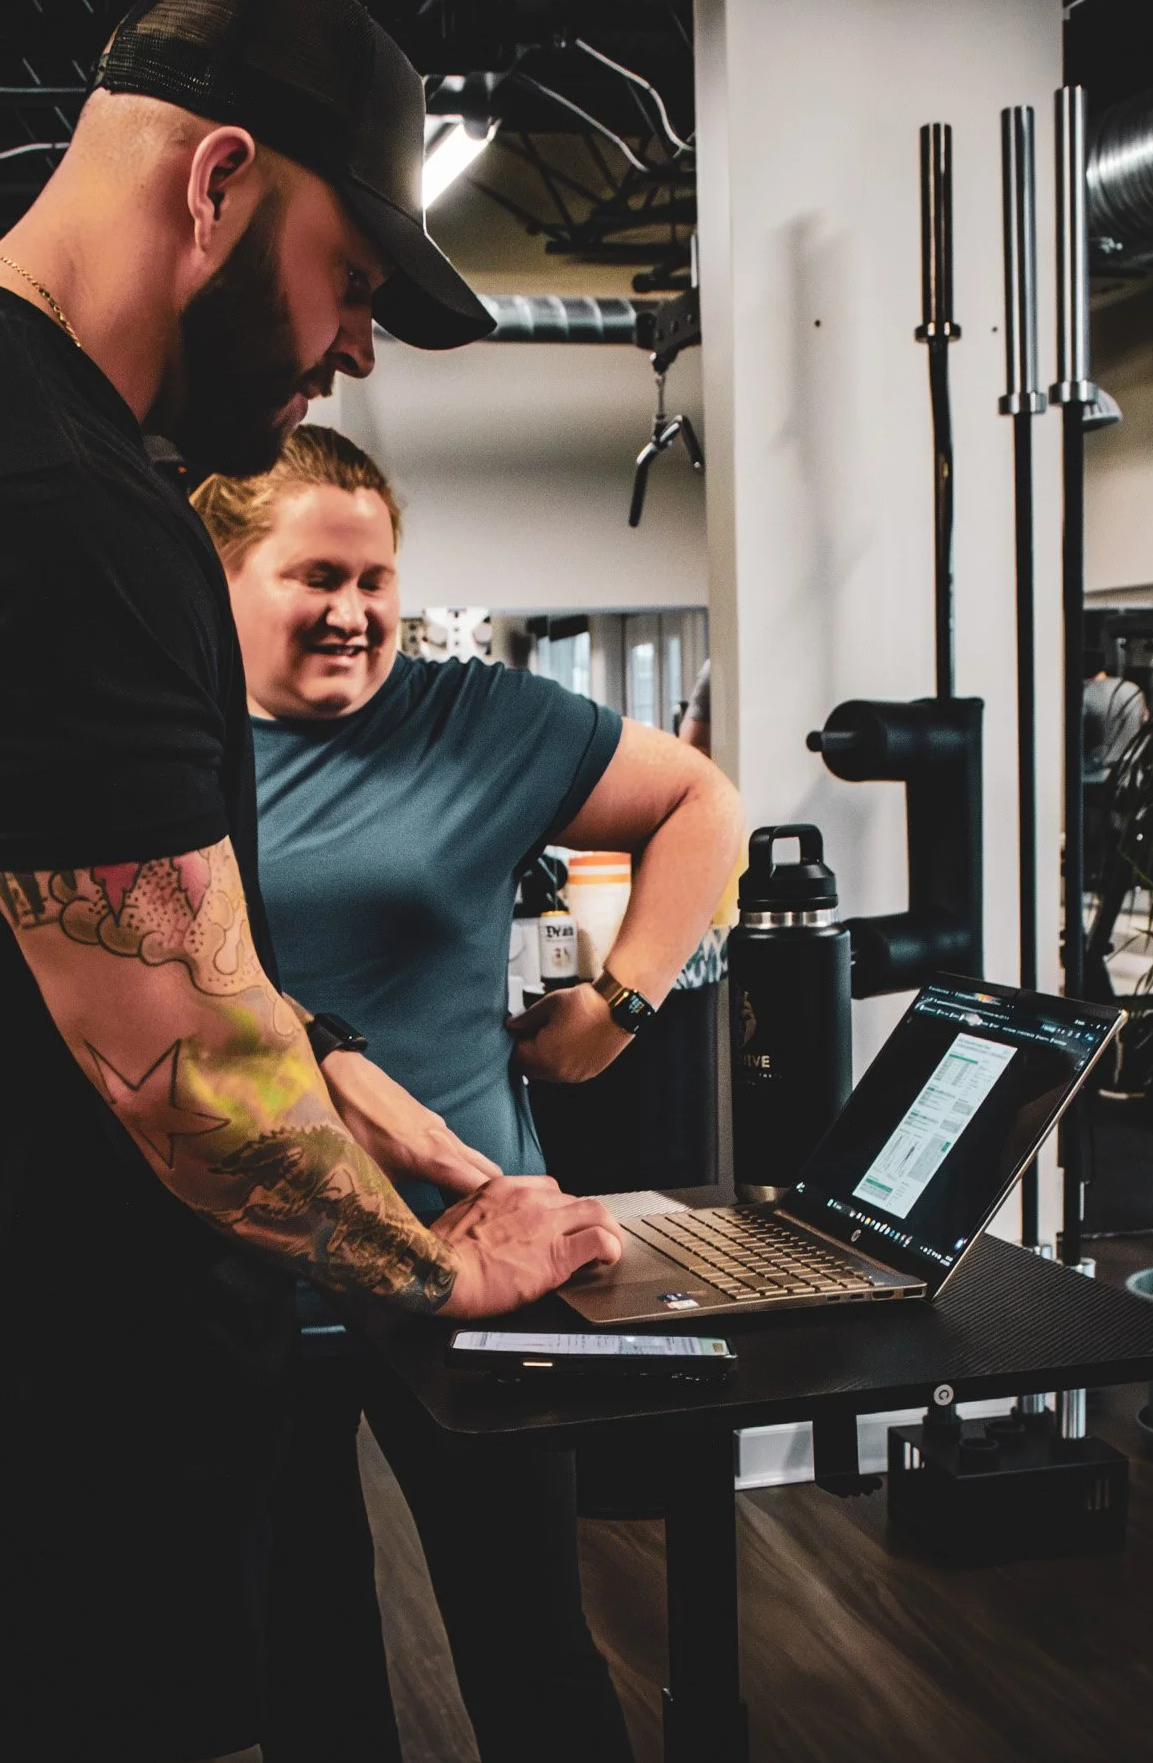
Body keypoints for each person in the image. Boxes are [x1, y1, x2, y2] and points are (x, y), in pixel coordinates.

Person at [0, 0, 622, 1763]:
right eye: (351, 281)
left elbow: (65, 943)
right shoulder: (54, 504)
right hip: (27, 1425)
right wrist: (442, 1272)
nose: (354, 349)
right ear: (216, 183)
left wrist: (341, 1077)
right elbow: (190, 1078)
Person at [192, 427, 744, 1763]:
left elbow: (700, 804)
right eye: (315, 574)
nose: (353, 610)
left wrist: (620, 1008)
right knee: (308, 1667)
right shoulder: (166, 749)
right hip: (252, 1264)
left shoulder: (472, 720)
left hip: (477, 1250)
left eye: (376, 579)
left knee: (531, 1646)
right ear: (221, 574)